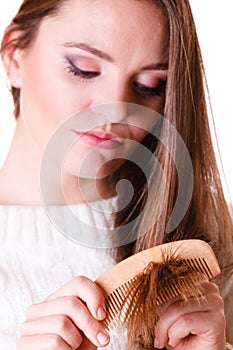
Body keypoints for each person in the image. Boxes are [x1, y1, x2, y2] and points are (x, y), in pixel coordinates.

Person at [0, 0, 233, 349]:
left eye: (149, 85)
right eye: (84, 68)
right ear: (14, 55)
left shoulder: (205, 257)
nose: (115, 106)